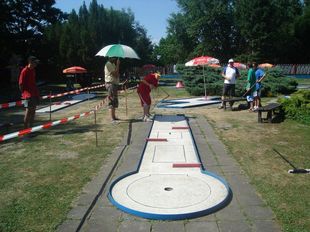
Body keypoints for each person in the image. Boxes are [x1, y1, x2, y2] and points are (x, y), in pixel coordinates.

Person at [18, 56, 40, 129]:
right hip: (28, 95)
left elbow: (33, 83)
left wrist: (36, 93)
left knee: (33, 112)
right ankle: (25, 131)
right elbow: (20, 84)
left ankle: (31, 129)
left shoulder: (33, 70)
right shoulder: (24, 71)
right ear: (30, 62)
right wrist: (24, 94)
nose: (36, 64)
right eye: (35, 62)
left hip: (34, 94)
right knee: (28, 112)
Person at [105, 57, 120, 123]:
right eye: (113, 57)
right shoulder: (108, 64)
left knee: (114, 101)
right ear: (110, 57)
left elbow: (117, 73)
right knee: (111, 101)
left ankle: (114, 116)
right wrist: (118, 64)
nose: (115, 58)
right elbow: (116, 74)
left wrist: (116, 65)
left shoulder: (113, 64)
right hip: (110, 84)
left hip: (114, 84)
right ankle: (112, 119)